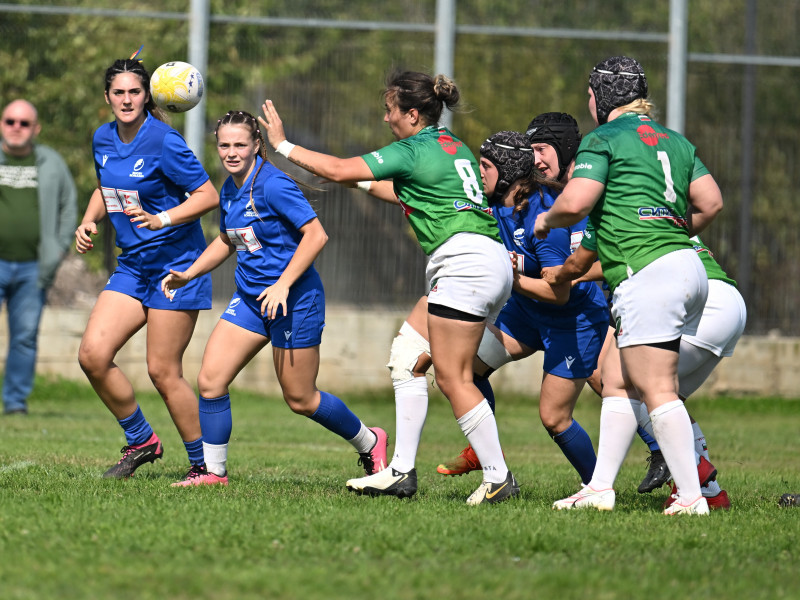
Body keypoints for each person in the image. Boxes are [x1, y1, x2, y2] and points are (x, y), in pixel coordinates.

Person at [259, 69, 516, 505]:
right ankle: (400, 471)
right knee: (406, 358)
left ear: (412, 115)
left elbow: (341, 168)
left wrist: (284, 146)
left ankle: (498, 477)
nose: (386, 119)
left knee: (453, 379)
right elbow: (401, 192)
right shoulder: (451, 145)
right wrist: (349, 179)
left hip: (464, 266)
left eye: (390, 110)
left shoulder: (414, 148)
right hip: (484, 260)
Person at [534, 55, 724, 515]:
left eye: (590, 96)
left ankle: (693, 498)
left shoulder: (603, 138)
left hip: (650, 272)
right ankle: (600, 488)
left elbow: (576, 203)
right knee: (616, 379)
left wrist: (547, 219)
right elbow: (711, 202)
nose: (590, 104)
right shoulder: (674, 140)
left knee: (657, 388)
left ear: (601, 98)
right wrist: (670, 230)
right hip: (687, 266)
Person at [161, 110, 388, 486]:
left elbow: (317, 235)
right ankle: (214, 473)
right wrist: (190, 273)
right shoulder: (230, 188)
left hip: (295, 301)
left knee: (301, 399)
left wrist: (282, 284)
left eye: (239, 145)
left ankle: (370, 440)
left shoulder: (273, 185)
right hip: (252, 302)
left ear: (256, 145)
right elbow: (226, 240)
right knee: (210, 380)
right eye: (224, 145)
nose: (231, 152)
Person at [434, 125, 608, 487]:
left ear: (510, 172)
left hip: (573, 319)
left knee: (554, 417)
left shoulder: (545, 218)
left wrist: (510, 279)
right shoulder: (493, 205)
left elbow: (559, 293)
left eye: (485, 165)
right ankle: (483, 454)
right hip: (527, 312)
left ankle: (597, 487)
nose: (478, 173)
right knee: (465, 370)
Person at [75, 54, 219, 482]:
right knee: (93, 356)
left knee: (162, 370)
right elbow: (107, 186)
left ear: (147, 96)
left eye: (134, 92)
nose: (126, 99)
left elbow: (207, 196)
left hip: (176, 267)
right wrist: (88, 219)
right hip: (133, 267)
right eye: (118, 92)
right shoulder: (103, 138)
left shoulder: (164, 141)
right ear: (107, 97)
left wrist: (164, 219)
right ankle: (142, 441)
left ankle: (204, 466)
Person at [545, 230, 745, 509]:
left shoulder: (615, 199)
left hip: (684, 300)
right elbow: (709, 203)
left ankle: (688, 476)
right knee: (665, 397)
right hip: (726, 299)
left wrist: (568, 273)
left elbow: (593, 260)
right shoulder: (661, 195)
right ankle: (709, 492)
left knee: (622, 382)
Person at [0, 99, 77, 415]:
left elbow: (69, 206)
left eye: (24, 123)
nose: (16, 128)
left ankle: (15, 401)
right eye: (10, 121)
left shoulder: (51, 162)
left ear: (36, 128)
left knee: (25, 337)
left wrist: (58, 249)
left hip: (34, 267)